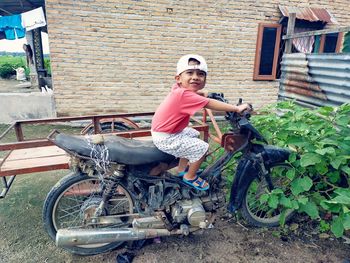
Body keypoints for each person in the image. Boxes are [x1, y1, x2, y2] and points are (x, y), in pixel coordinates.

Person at [151, 54, 250, 191]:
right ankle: (190, 176)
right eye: (190, 73)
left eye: (201, 74)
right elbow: (209, 104)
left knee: (193, 133)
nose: (195, 77)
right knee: (202, 147)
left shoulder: (178, 90)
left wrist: (201, 93)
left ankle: (181, 169)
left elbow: (194, 96)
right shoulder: (184, 95)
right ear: (178, 78)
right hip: (166, 137)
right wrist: (236, 108)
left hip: (166, 132)